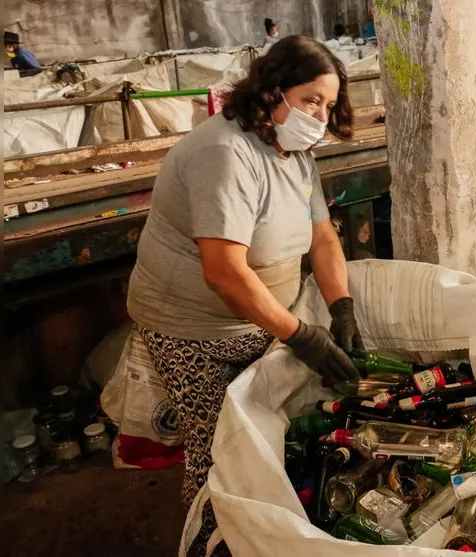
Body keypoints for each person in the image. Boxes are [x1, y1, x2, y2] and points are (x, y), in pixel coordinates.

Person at [126, 35, 364, 552]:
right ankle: (208, 541)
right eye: (310, 100)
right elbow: (225, 273)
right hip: (193, 331)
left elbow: (323, 237)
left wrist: (341, 306)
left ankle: (256, 530)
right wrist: (302, 336)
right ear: (273, 92)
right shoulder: (225, 153)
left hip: (260, 322)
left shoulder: (293, 150)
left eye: (328, 105)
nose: (319, 116)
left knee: (261, 434)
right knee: (221, 451)